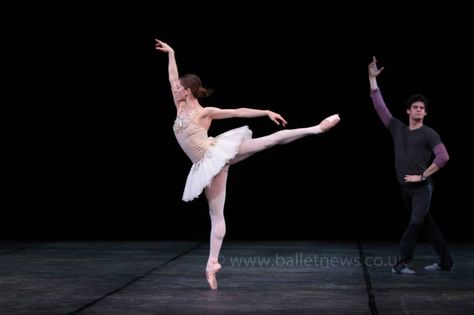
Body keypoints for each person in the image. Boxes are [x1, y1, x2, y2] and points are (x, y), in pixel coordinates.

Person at [156, 39, 340, 289]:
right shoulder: (179, 107)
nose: (174, 89)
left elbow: (237, 111)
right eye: (175, 88)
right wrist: (172, 54)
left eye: (178, 88)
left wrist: (265, 112)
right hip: (204, 167)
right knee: (216, 216)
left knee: (267, 142)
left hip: (215, 154)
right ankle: (211, 264)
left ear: (187, 91)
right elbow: (171, 77)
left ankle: (316, 129)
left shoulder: (204, 112)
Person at [368, 56, 454, 274]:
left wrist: (423, 177)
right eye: (414, 107)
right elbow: (380, 106)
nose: (418, 110)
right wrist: (372, 79)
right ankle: (446, 262)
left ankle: (401, 263)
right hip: (405, 188)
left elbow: (443, 157)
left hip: (422, 188)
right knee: (427, 224)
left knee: (415, 223)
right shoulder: (397, 128)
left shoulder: (429, 133)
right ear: (408, 111)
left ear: (425, 113)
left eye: (421, 108)